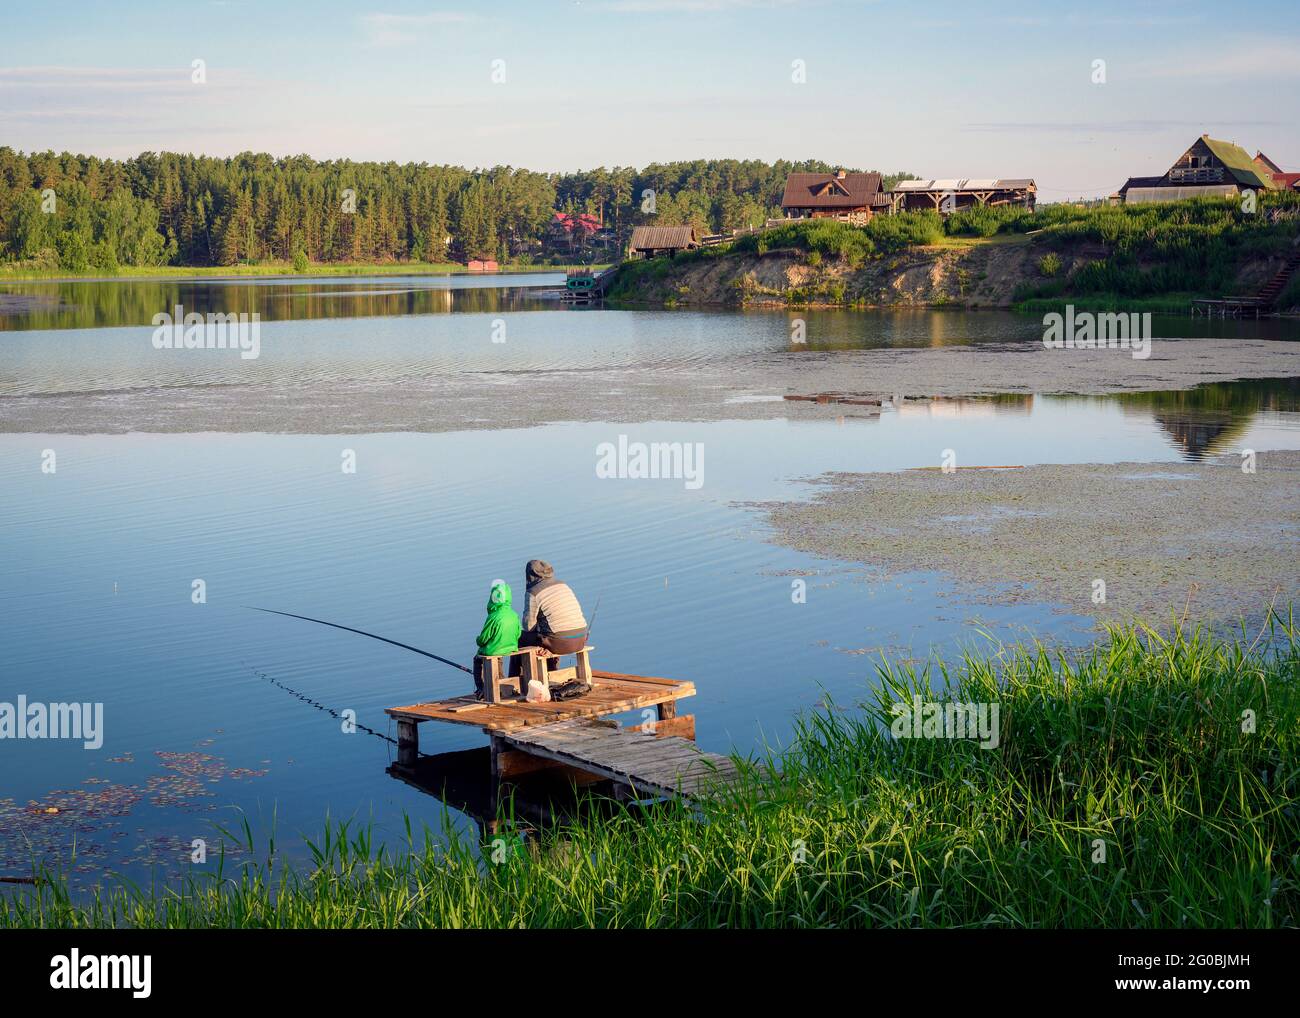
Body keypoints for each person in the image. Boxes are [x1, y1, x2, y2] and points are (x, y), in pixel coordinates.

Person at [512, 559, 588, 675]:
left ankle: (515, 682)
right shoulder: (563, 585)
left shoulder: (533, 592)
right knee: (549, 632)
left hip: (560, 643)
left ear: (529, 575)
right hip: (581, 639)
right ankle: (551, 671)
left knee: (518, 638)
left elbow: (528, 626)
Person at [474, 580, 521, 696]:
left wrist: (477, 639)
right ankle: (501, 683)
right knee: (499, 656)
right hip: (511, 647)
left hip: (493, 649)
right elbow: (519, 633)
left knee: (477, 659)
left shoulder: (493, 617)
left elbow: (483, 639)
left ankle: (481, 688)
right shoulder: (514, 614)